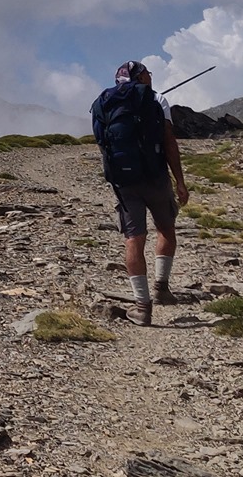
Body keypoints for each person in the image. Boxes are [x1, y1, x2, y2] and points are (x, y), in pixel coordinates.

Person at [90, 59, 189, 325]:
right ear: (141, 77)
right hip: (155, 177)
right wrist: (179, 180)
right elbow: (169, 142)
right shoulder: (157, 100)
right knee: (166, 229)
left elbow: (102, 143)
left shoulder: (103, 102)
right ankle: (161, 289)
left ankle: (142, 307)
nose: (151, 77)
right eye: (148, 73)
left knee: (134, 239)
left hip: (124, 182)